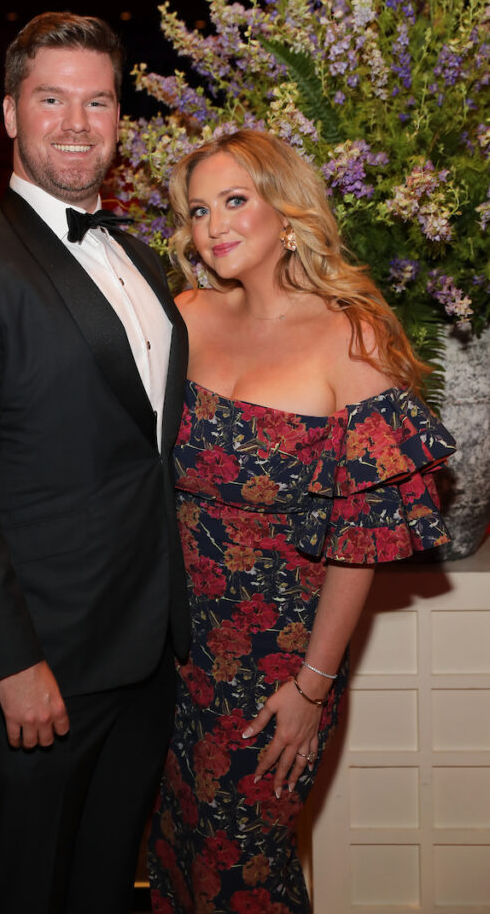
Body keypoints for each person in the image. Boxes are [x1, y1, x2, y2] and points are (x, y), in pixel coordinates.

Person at [0, 11, 190, 914]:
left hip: (144, 656)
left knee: (103, 890)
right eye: (51, 99)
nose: (75, 123)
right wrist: (9, 663)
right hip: (40, 669)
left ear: (119, 118)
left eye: (97, 101)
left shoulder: (142, 260)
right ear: (9, 113)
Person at [148, 129, 455, 913]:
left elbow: (362, 537)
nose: (212, 225)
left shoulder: (350, 336)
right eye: (197, 210)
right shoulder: (184, 315)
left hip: (277, 663)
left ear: (286, 210)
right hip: (169, 649)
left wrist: (312, 688)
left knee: (243, 870)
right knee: (174, 857)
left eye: (234, 200)